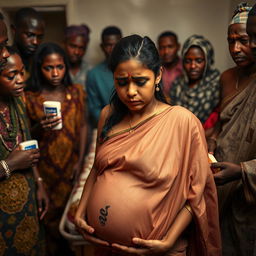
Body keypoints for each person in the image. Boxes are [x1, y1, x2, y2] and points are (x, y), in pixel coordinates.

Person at [74, 34, 221, 256]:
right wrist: (81, 211)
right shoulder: (108, 114)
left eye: (140, 81)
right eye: (121, 82)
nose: (131, 92)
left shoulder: (181, 121)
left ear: (158, 75)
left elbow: (197, 191)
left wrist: (168, 241)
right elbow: (97, 168)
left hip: (158, 249)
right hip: (105, 247)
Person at [25, 42, 87, 256]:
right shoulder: (30, 98)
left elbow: (83, 125)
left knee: (72, 222)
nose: (55, 73)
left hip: (71, 168)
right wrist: (38, 128)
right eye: (48, 68)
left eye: (59, 67)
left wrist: (80, 160)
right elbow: (25, 139)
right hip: (44, 173)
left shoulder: (76, 92)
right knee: (49, 225)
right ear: (39, 68)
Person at [207, 3, 256, 256]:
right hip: (221, 178)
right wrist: (212, 140)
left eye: (244, 40)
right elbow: (221, 121)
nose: (236, 48)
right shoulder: (226, 77)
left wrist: (241, 171)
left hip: (247, 193)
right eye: (231, 41)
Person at [0, 46, 48, 256]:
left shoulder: (18, 100)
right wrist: (8, 165)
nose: (20, 80)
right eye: (12, 75)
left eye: (22, 73)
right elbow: (15, 158)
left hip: (27, 206)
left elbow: (26, 142)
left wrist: (38, 183)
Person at [170, 34, 220, 127]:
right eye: (188, 61)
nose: (193, 66)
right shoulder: (178, 83)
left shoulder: (216, 83)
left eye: (199, 60)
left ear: (208, 61)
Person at [87, 26, 122, 127]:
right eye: (108, 45)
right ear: (102, 47)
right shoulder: (94, 74)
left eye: (116, 45)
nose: (112, 49)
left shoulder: (133, 68)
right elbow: (94, 109)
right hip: (106, 127)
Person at [11, 7, 45, 74]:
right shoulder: (3, 61)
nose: (35, 42)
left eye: (40, 37)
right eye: (29, 35)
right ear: (14, 30)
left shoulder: (42, 63)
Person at [64, 24, 91, 91]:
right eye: (73, 46)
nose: (76, 52)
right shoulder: (56, 69)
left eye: (81, 48)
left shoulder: (90, 72)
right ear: (64, 44)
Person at [157, 31, 182, 98]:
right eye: (162, 48)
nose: (166, 52)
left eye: (170, 47)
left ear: (178, 47)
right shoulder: (155, 68)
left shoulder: (186, 68)